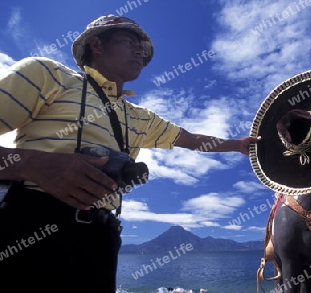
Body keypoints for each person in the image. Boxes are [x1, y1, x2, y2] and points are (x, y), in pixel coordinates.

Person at [0, 15, 259, 293]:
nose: (140, 52)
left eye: (143, 50)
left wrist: (238, 144)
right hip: (31, 225)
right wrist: (30, 164)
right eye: (130, 42)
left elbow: (192, 140)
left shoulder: (139, 117)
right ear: (96, 44)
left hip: (102, 238)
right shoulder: (47, 75)